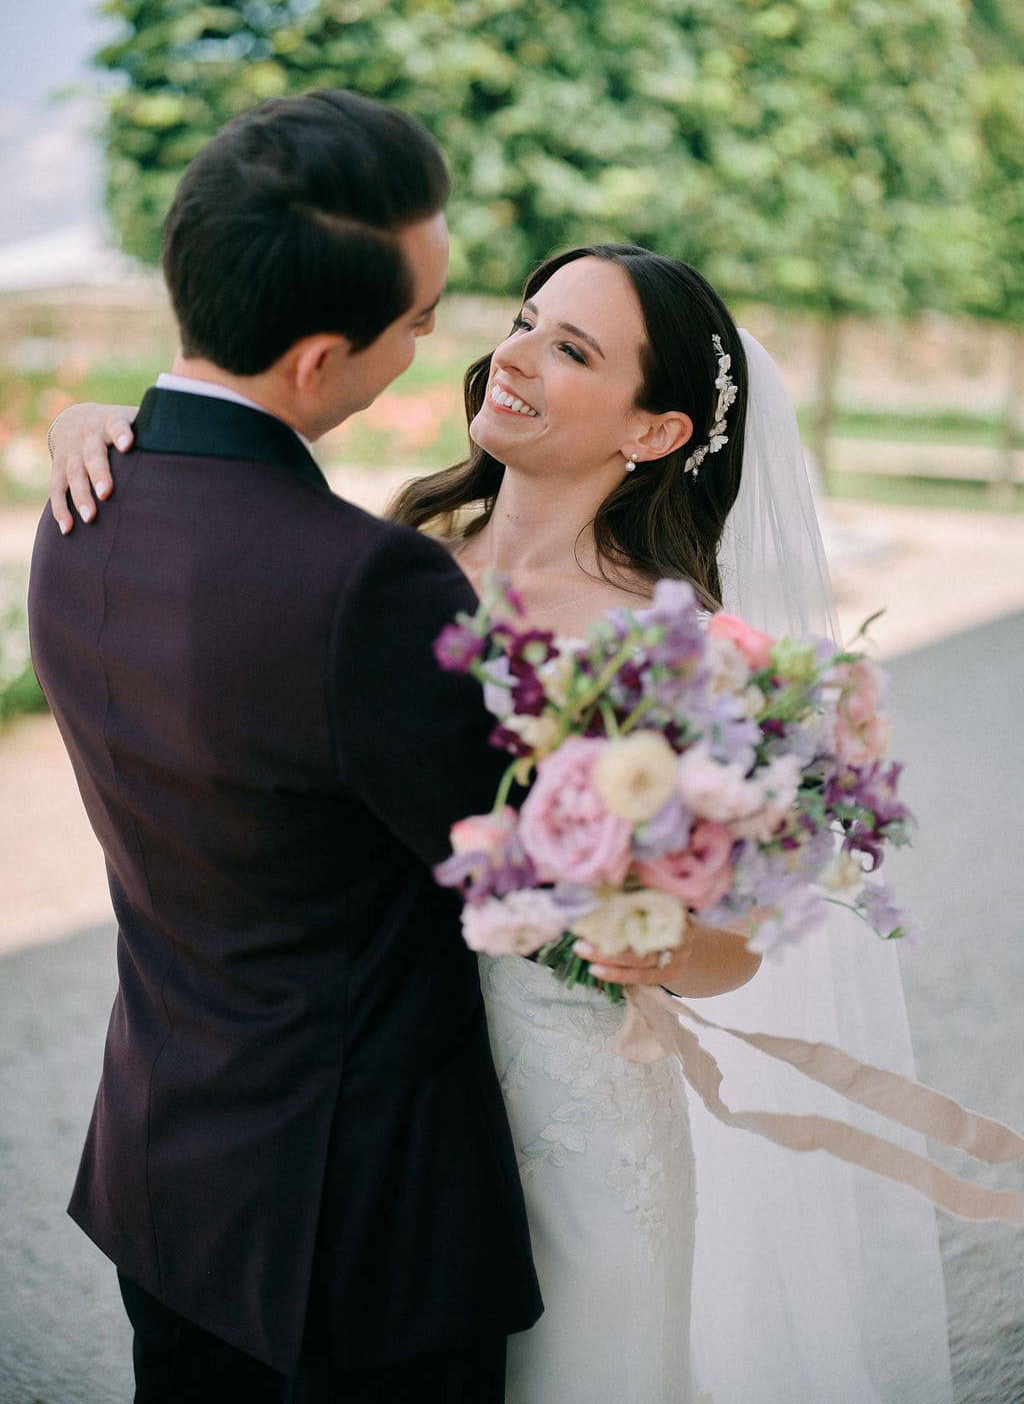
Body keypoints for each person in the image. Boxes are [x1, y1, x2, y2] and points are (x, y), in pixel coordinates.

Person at [47, 243, 954, 1403]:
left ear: (655, 431)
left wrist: (667, 948)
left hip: (567, 1128)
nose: (509, 357)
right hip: (361, 1115)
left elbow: (731, 940)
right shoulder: (390, 559)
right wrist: (100, 423)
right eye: (526, 319)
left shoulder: (691, 656)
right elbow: (234, 531)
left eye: (569, 348)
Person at [29, 87, 549, 1404]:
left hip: (170, 1172)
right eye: (421, 322)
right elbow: (522, 864)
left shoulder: (79, 503)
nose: (434, 345)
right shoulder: (366, 587)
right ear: (323, 361)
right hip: (350, 1231)